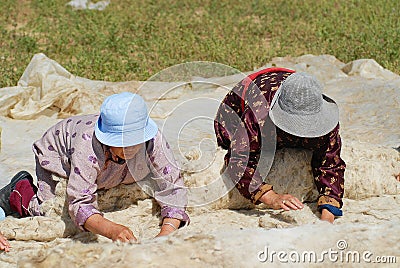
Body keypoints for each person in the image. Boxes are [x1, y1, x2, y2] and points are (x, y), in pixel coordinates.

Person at [0, 92, 189, 242]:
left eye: (135, 141)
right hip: (61, 157)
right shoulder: (88, 146)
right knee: (53, 214)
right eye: (122, 142)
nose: (130, 148)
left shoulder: (152, 139)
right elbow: (79, 203)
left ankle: (107, 177)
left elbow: (173, 185)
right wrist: (111, 230)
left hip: (109, 165)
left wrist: (166, 232)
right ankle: (18, 189)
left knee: (135, 193)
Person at [214, 68, 346, 223]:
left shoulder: (326, 122)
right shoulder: (258, 113)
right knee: (230, 141)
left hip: (285, 92)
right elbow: (237, 160)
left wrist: (326, 219)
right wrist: (271, 198)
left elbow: (331, 165)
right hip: (241, 105)